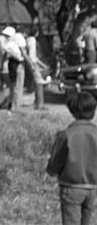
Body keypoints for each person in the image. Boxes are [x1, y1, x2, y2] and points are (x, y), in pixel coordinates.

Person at [47, 91, 97, 225]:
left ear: (72, 111)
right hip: (92, 188)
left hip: (71, 187)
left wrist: (51, 171)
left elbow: (55, 163)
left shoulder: (66, 135)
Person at [2, 26, 27, 111]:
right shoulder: (13, 42)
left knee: (13, 85)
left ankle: (11, 104)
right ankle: (16, 106)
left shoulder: (8, 43)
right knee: (18, 86)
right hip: (17, 64)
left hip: (12, 64)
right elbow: (20, 55)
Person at [25, 23, 47, 111]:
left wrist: (42, 64)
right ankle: (40, 104)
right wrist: (34, 65)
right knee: (39, 83)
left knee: (34, 84)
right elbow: (32, 55)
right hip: (32, 63)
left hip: (29, 63)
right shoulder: (33, 40)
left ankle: (36, 103)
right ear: (36, 33)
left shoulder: (27, 40)